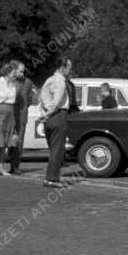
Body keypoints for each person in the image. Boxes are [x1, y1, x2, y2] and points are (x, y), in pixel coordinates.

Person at [39, 57, 73, 188]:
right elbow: (57, 101)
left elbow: (43, 98)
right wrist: (49, 113)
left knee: (54, 149)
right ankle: (52, 179)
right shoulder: (60, 81)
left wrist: (45, 113)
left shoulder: (49, 79)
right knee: (57, 150)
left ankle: (51, 178)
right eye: (69, 67)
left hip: (51, 116)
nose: (70, 71)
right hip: (58, 115)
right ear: (62, 67)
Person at [0, 61, 21, 176]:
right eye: (13, 73)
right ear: (7, 73)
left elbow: (15, 100)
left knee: (6, 141)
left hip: (10, 113)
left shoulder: (14, 84)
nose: (15, 75)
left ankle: (1, 167)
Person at [8, 65, 35, 175]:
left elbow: (32, 98)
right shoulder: (10, 81)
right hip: (11, 114)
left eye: (23, 71)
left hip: (22, 115)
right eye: (20, 71)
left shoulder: (28, 82)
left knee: (19, 141)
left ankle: (16, 165)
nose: (22, 74)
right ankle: (11, 164)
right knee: (10, 141)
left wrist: (25, 107)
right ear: (14, 71)